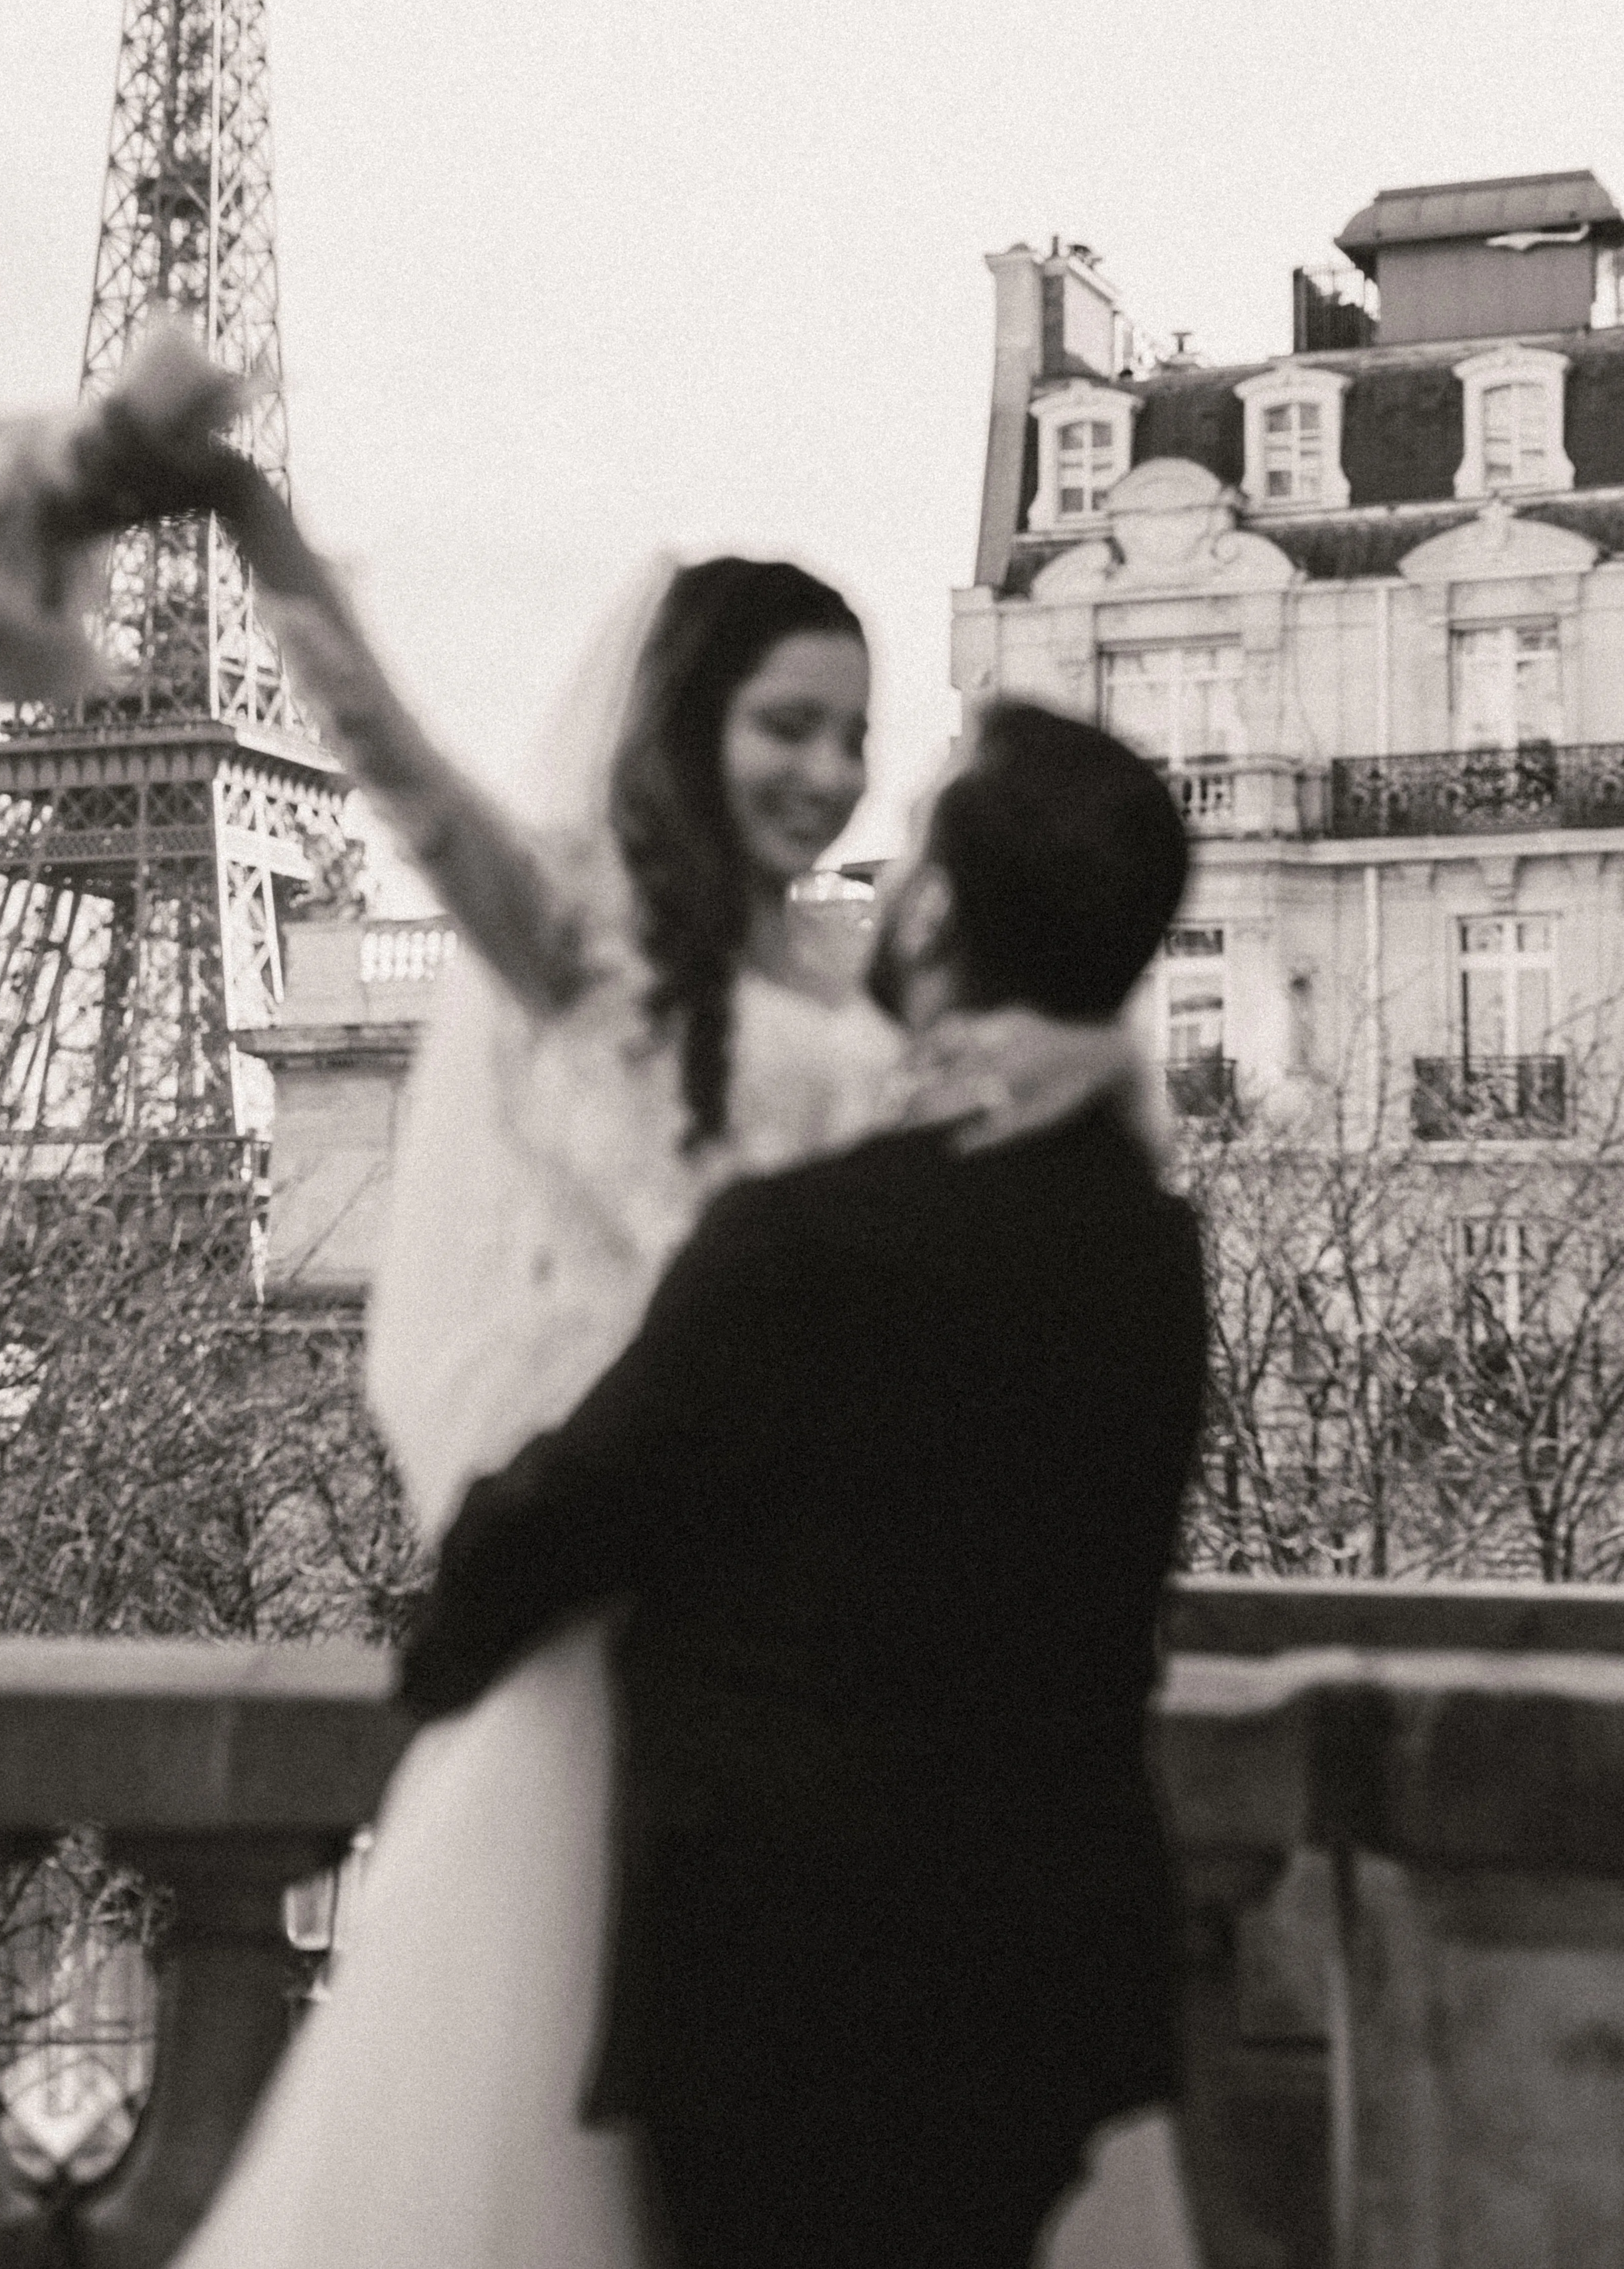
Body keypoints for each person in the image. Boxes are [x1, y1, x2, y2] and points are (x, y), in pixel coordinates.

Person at [0, 326, 1164, 2266]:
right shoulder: (583, 943)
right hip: (649, 1638)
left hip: (789, 1660)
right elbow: (386, 760)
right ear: (683, 722)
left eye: (848, 732)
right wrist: (247, 519)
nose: (824, 771)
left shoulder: (870, 984)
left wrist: (1090, 1071)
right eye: (783, 725)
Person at [398, 699, 1209, 2269]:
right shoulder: (1147, 1244)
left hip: (790, 1988)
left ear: (940, 911)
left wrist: (444, 1623)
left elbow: (565, 1514)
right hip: (1043, 1981)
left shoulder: (804, 1243)